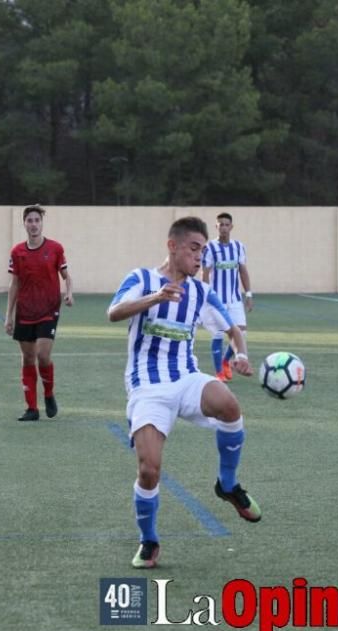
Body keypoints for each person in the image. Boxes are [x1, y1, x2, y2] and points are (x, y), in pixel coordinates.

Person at [108, 216, 261, 569]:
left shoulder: (201, 292)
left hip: (186, 378)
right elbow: (114, 312)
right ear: (172, 246)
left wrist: (240, 355)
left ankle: (227, 484)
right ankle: (149, 541)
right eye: (194, 249)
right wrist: (155, 297)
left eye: (203, 252)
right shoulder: (141, 279)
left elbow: (233, 329)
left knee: (229, 405)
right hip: (147, 387)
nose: (199, 258)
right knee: (149, 470)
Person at [4, 205, 74, 421]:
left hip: (48, 309)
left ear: (41, 223)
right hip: (25, 311)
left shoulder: (55, 248)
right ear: (24, 224)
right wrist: (9, 316)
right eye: (29, 220)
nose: (33, 224)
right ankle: (32, 408)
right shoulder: (17, 252)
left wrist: (69, 293)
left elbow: (67, 277)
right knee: (27, 358)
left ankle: (49, 394)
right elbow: (14, 284)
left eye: (37, 220)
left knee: (43, 356)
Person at [201, 212, 253, 382]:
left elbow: (243, 271)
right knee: (218, 334)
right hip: (217, 300)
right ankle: (219, 373)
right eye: (220, 224)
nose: (223, 227)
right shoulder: (209, 248)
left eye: (226, 224)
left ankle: (225, 361)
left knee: (241, 333)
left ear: (231, 227)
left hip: (235, 299)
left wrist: (249, 294)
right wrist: (207, 296)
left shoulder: (238, 247)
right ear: (216, 227)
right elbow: (205, 273)